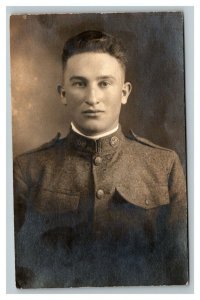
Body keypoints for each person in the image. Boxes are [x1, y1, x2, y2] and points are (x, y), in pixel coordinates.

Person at [13, 30, 188, 288]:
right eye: (79, 83)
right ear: (63, 93)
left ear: (125, 92)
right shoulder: (28, 169)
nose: (92, 99)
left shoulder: (164, 166)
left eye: (104, 83)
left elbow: (181, 270)